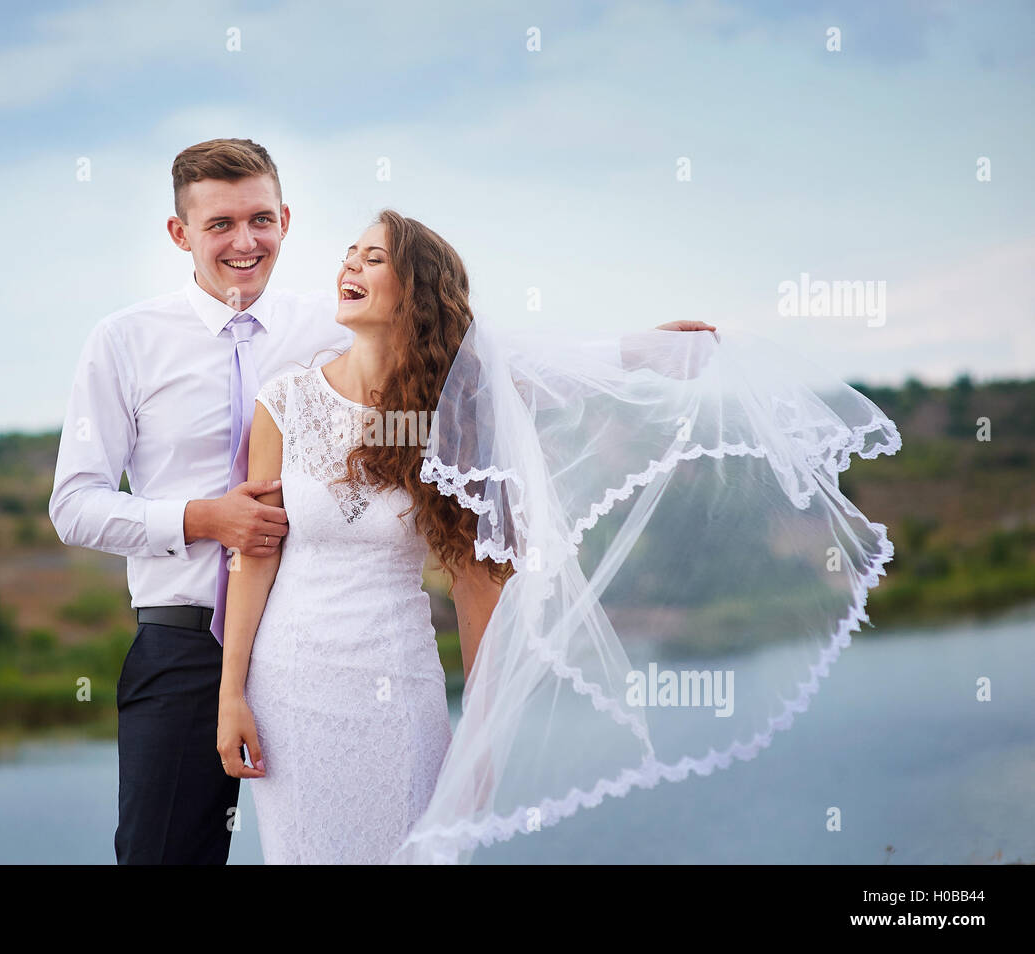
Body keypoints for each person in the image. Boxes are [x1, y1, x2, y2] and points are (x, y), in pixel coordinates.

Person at [217, 208, 898, 864]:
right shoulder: (285, 401)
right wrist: (233, 695)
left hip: (398, 687)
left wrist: (480, 742)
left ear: (416, 294)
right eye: (348, 255)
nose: (350, 266)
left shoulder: (451, 418)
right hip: (291, 690)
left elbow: (478, 580)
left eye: (374, 258)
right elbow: (254, 555)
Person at [48, 138, 351, 864]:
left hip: (317, 641)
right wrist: (202, 517)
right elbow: (74, 504)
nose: (245, 242)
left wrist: (641, 356)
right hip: (182, 647)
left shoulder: (334, 323)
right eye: (220, 225)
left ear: (286, 218)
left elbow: (469, 353)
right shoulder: (123, 341)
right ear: (180, 234)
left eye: (260, 219)